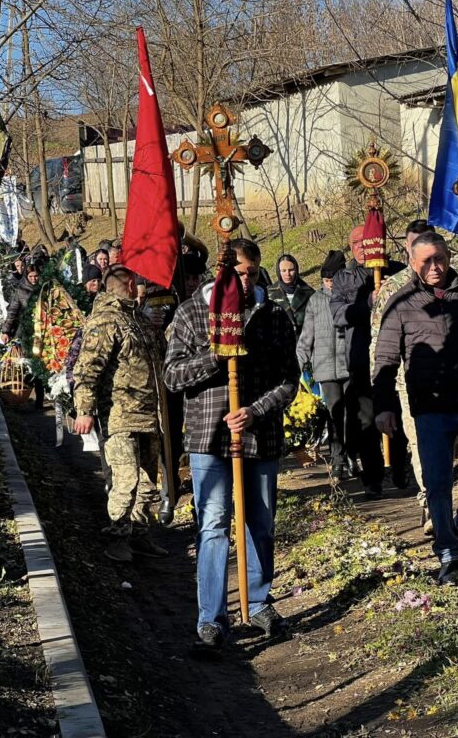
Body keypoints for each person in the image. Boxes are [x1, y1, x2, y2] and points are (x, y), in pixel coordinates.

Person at [164, 238, 299, 652]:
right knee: (213, 526)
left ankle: (258, 601)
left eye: (253, 274)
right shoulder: (191, 313)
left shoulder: (273, 315)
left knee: (260, 522)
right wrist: (214, 359)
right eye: (238, 273)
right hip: (209, 436)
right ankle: (211, 618)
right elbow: (172, 376)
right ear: (221, 272)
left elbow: (289, 380)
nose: (246, 281)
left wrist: (255, 411)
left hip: (259, 435)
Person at [373, 232, 458, 586]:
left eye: (439, 259)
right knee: (437, 484)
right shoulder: (400, 304)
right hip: (429, 408)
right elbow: (384, 359)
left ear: (449, 258)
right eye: (426, 261)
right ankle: (448, 555)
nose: (434, 267)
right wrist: (384, 407)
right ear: (413, 263)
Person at [72, 267, 166, 563]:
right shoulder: (105, 320)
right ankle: (118, 537)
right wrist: (84, 410)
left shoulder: (136, 318)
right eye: (137, 282)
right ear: (128, 284)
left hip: (149, 413)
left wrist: (158, 329)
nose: (141, 286)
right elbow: (87, 369)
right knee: (125, 479)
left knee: (149, 478)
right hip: (120, 415)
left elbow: (155, 357)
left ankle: (139, 531)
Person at [330, 224, 409, 500]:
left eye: (368, 241)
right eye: (357, 243)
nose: (364, 247)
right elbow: (339, 314)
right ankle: (373, 478)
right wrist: (367, 303)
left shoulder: (398, 270)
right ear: (351, 247)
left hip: (396, 356)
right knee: (366, 421)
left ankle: (401, 468)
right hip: (362, 356)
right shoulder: (344, 278)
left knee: (398, 415)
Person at [369, 219, 436, 534]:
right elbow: (378, 342)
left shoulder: (452, 279)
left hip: (452, 383)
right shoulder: (393, 289)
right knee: (421, 443)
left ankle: (441, 498)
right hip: (409, 383)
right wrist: (381, 391)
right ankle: (431, 503)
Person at [296, 250, 349, 481]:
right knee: (334, 413)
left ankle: (353, 455)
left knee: (354, 415)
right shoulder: (315, 301)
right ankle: (338, 460)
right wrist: (297, 366)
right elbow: (306, 337)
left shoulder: (351, 296)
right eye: (326, 281)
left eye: (333, 280)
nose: (329, 285)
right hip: (326, 368)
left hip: (350, 366)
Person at [267, 253, 315, 333]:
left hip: (304, 341)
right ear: (279, 271)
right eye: (283, 270)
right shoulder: (269, 294)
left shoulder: (309, 293)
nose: (287, 274)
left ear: (296, 270)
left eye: (291, 270)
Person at [0, 262, 40, 344]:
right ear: (26, 276)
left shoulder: (45, 287)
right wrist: (5, 331)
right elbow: (12, 311)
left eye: (36, 276)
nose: (33, 279)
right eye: (30, 276)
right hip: (26, 327)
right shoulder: (20, 291)